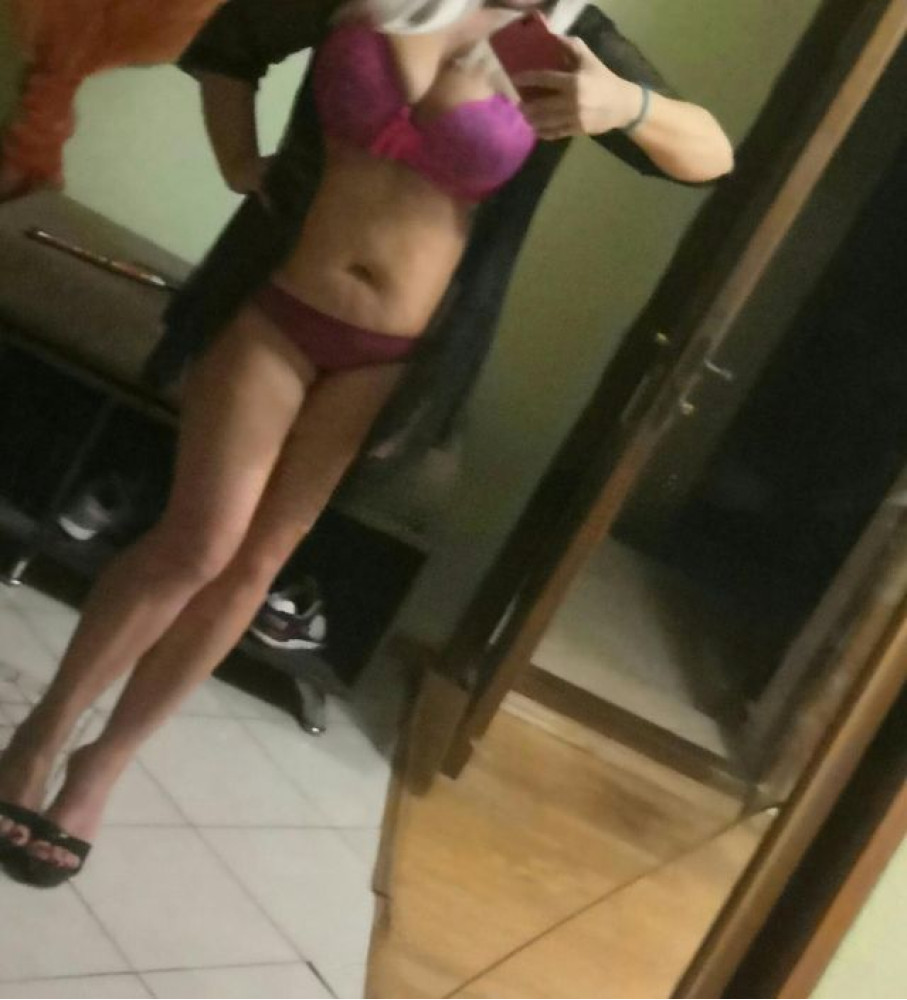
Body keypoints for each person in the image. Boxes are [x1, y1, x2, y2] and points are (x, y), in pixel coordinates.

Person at [0, 0, 733, 885]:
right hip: (277, 307)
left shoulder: (575, 44)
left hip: (392, 359)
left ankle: (101, 768)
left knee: (255, 567)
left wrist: (627, 106)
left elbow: (711, 156)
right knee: (198, 544)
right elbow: (229, 43)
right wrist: (238, 160)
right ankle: (41, 737)